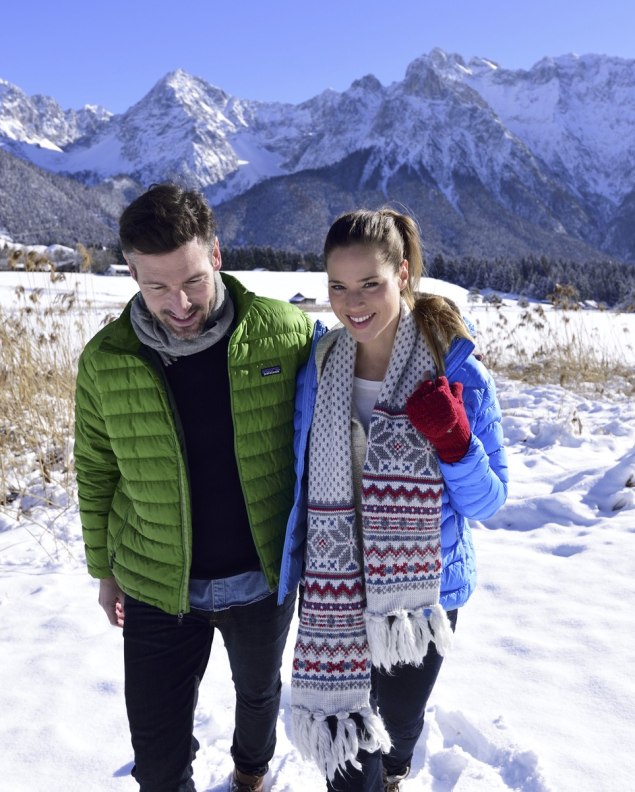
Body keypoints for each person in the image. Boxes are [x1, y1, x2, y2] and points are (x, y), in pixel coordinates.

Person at [74, 183, 321, 792]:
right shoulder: (107, 360)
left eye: (190, 280)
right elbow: (96, 468)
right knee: (157, 763)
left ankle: (251, 771)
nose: (178, 303)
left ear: (216, 254)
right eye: (156, 286)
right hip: (156, 583)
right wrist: (104, 570)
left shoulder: (284, 335)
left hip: (260, 577)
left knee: (259, 697)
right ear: (131, 272)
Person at [278, 208, 509, 791]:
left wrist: (455, 442)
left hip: (420, 593)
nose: (352, 302)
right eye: (338, 286)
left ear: (402, 274)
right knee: (351, 743)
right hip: (338, 582)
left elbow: (489, 502)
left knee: (400, 721)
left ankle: (399, 769)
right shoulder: (322, 363)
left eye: (370, 284)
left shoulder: (457, 370)